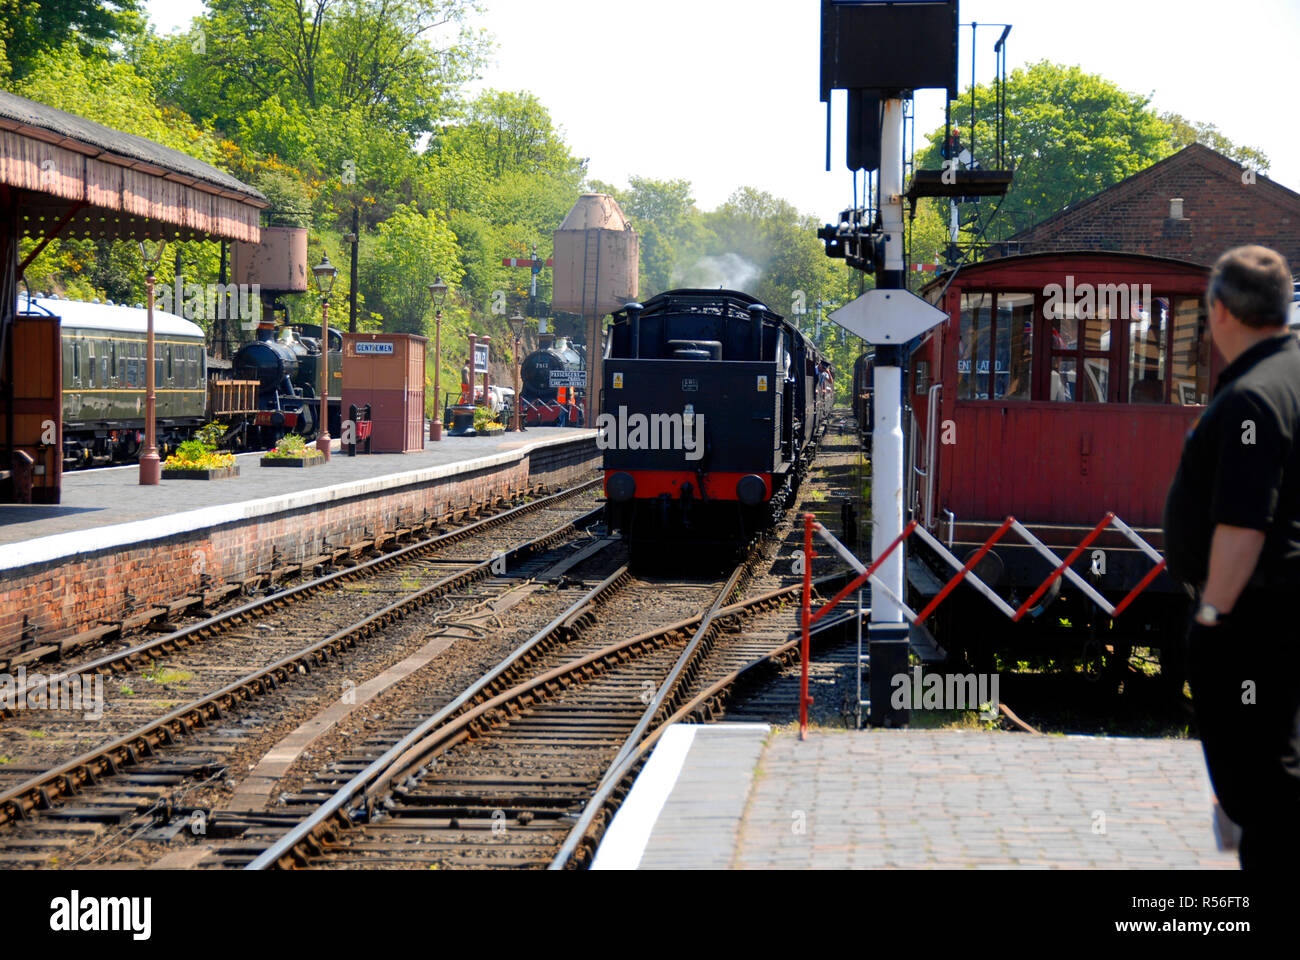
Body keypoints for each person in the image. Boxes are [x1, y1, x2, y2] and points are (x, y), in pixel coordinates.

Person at [1162, 245, 1300, 871]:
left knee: (1262, 789)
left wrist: (1212, 615)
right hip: (1279, 618)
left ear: (1219, 309)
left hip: (1255, 623)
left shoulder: (1252, 397)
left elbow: (1244, 524)